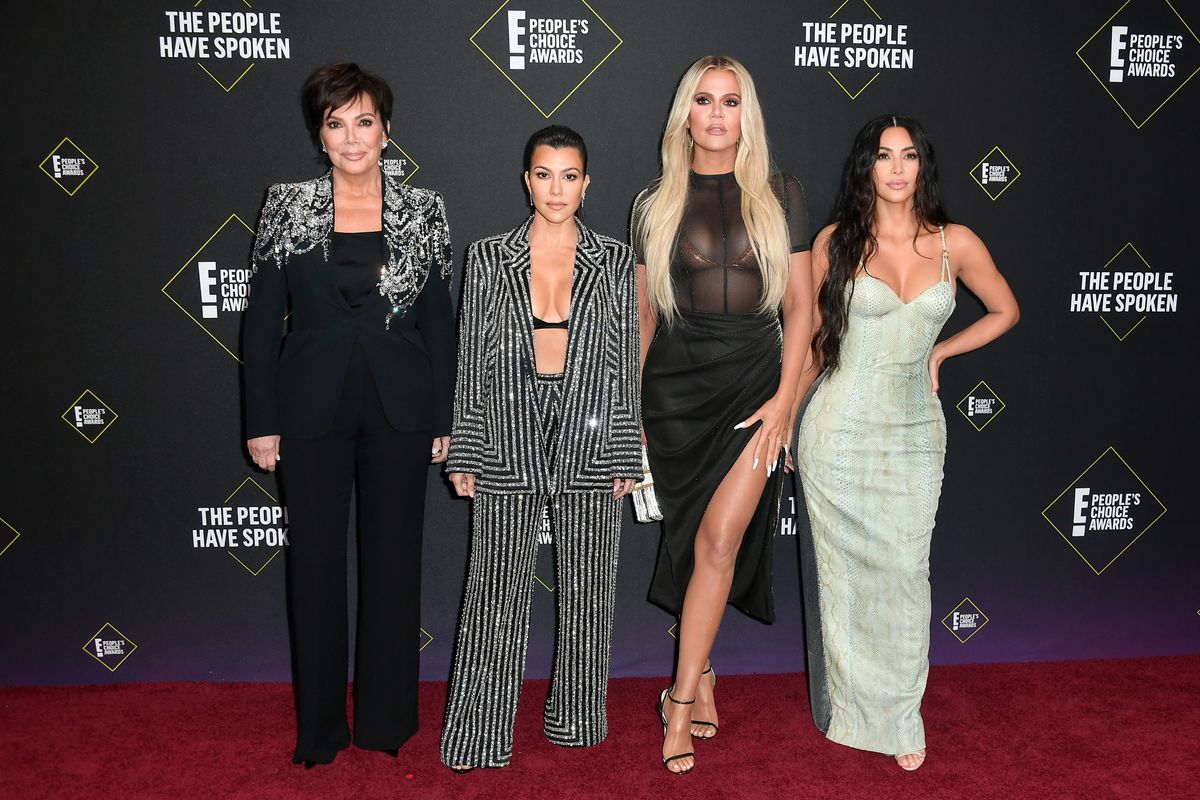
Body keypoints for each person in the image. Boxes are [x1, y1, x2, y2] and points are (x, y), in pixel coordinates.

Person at [242, 62, 455, 767]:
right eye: (336, 122)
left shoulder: (424, 210)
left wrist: (445, 418)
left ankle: (388, 724)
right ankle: (322, 732)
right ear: (320, 133)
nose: (352, 136)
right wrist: (260, 419)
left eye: (364, 121)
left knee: (394, 568)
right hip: (308, 412)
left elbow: (440, 324)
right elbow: (263, 319)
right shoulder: (284, 204)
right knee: (315, 570)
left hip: (402, 410)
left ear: (387, 130)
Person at [797, 115, 1019, 771]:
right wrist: (785, 415)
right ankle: (854, 714)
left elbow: (1007, 309)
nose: (897, 168)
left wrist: (944, 350)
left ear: (923, 166)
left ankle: (899, 716)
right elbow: (813, 342)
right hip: (838, 428)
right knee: (845, 580)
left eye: (910, 156)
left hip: (916, 430)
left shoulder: (957, 244)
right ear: (866, 167)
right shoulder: (834, 242)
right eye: (885, 156)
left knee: (906, 573)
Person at [440, 126, 642, 772]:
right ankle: (477, 734)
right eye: (544, 174)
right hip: (506, 429)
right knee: (493, 591)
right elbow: (472, 355)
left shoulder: (614, 259)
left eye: (570, 175)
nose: (557, 188)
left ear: (587, 183)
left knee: (590, 590)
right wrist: (466, 447)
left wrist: (622, 451)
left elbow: (623, 362)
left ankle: (576, 721)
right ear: (527, 180)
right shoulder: (488, 256)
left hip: (590, 428)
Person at [632, 55, 813, 775]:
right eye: (703, 100)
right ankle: (701, 671)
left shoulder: (782, 193)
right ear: (685, 114)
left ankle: (677, 701)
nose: (715, 114)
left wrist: (785, 401)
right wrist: (633, 419)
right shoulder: (653, 201)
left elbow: (800, 309)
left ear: (747, 114)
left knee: (718, 541)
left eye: (730, 101)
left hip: (753, 386)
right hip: (674, 394)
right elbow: (644, 317)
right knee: (691, 540)